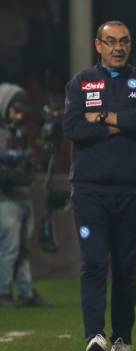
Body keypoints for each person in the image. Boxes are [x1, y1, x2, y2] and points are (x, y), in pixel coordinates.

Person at [62, 21, 136, 351]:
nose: (118, 47)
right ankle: (95, 337)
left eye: (124, 42)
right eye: (111, 41)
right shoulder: (80, 82)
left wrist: (99, 117)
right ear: (97, 45)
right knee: (93, 263)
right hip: (89, 191)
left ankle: (122, 340)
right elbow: (72, 128)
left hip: (131, 192)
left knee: (126, 268)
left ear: (130, 46)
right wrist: (119, 123)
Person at [0, 83, 46, 307]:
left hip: (21, 195)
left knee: (23, 248)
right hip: (4, 198)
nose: (18, 115)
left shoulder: (18, 133)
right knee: (9, 247)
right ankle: (3, 292)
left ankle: (26, 291)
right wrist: (15, 157)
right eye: (14, 110)